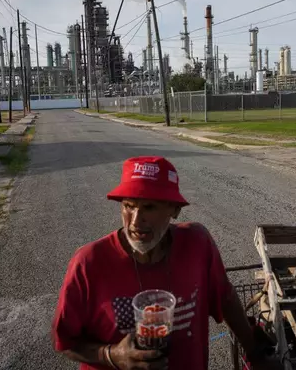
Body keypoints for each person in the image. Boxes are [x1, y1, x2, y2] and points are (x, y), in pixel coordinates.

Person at [52, 156, 279, 370]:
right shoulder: (89, 263)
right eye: (128, 206)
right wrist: (112, 355)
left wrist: (254, 350)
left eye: (149, 207)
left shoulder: (197, 244)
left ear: (175, 210)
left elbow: (225, 298)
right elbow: (64, 340)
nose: (136, 221)